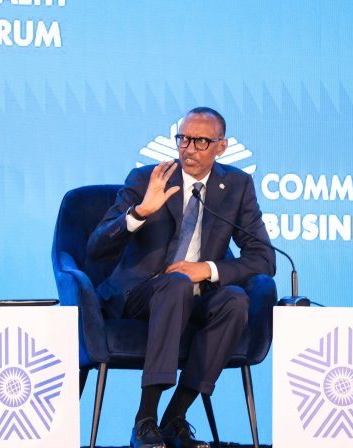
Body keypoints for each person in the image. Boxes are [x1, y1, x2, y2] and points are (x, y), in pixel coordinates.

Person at [87, 107, 276, 448]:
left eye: (200, 141)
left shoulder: (236, 186)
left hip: (198, 293)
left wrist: (207, 269)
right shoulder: (146, 179)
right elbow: (96, 247)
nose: (188, 148)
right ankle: (145, 419)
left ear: (221, 147)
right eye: (183, 139)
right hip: (139, 294)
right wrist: (139, 213)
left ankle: (175, 417)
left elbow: (264, 258)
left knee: (235, 301)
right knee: (176, 284)